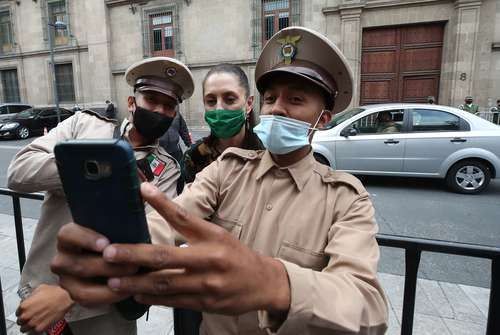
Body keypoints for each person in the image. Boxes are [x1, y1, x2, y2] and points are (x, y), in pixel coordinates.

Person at [51, 27, 388, 335]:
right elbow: (169, 221)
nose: (278, 110)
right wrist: (106, 256)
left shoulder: (346, 198)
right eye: (272, 99)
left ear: (322, 119)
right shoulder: (227, 168)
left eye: (296, 100)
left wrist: (275, 283)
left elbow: (367, 306)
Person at [7, 56, 194, 335]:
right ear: (132, 103)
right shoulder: (83, 126)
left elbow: (146, 245)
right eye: (151, 99)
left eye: (169, 106)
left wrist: (69, 294)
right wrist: (85, 169)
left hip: (105, 309)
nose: (159, 110)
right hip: (43, 290)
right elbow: (18, 173)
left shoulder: (166, 169)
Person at [183, 63, 263, 183]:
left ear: (249, 103)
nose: (219, 108)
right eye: (211, 101)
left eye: (230, 100)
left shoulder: (266, 152)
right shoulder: (195, 156)